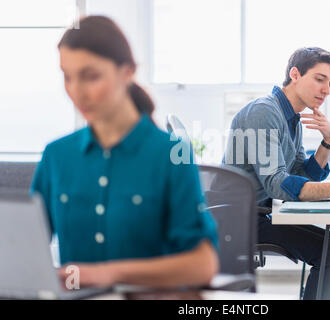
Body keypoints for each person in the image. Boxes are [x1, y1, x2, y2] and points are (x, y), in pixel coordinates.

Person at [30, 16, 219, 289]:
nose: (76, 92)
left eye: (91, 76)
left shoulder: (171, 155)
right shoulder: (56, 156)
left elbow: (202, 264)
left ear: (127, 71)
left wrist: (109, 273)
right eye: (67, 77)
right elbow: (24, 249)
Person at [223, 47, 330, 299]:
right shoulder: (264, 112)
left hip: (257, 211)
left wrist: (328, 140)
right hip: (238, 218)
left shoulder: (291, 118)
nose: (327, 90)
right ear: (295, 74)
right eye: (319, 79)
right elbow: (277, 184)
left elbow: (303, 174)